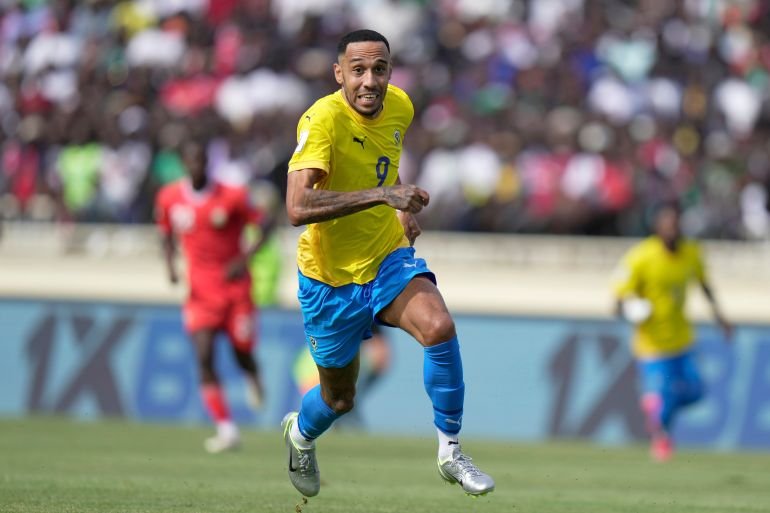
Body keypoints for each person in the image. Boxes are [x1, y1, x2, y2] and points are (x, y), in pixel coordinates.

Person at [281, 29, 495, 498]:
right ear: (339, 73)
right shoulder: (321, 120)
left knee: (438, 326)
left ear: (390, 72)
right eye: (357, 70)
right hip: (328, 280)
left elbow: (382, 160)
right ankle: (300, 434)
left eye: (379, 69)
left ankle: (450, 451)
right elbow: (297, 207)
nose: (369, 81)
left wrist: (397, 208)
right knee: (339, 398)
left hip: (385, 259)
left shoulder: (401, 106)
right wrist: (383, 195)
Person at [155, 139, 274, 453]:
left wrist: (244, 258)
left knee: (240, 352)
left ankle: (253, 373)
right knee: (204, 356)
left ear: (208, 163)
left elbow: (266, 224)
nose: (196, 166)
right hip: (200, 292)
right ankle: (226, 429)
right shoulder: (170, 198)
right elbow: (165, 234)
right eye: (190, 161)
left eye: (200, 161)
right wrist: (170, 266)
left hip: (235, 289)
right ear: (183, 164)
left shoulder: (232, 195)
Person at [611, 202, 733, 462]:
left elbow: (704, 285)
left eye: (675, 223)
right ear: (657, 226)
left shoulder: (691, 252)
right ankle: (661, 438)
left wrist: (720, 318)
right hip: (652, 345)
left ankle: (657, 408)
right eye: (666, 223)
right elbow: (617, 301)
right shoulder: (640, 257)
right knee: (663, 394)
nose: (671, 228)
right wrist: (632, 308)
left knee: (697, 391)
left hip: (682, 339)